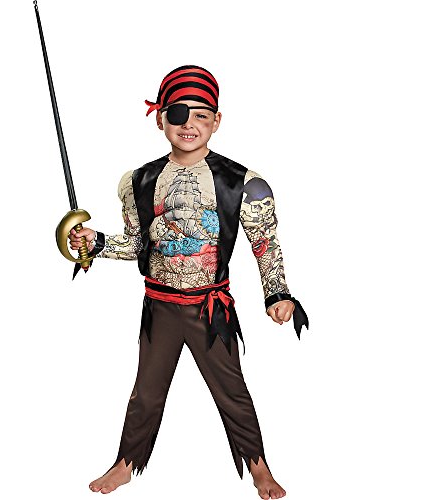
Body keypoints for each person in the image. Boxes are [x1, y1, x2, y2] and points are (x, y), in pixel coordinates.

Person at [68, 65, 308, 499]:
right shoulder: (139, 181)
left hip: (209, 309)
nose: (189, 124)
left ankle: (259, 468)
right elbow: (136, 244)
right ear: (160, 118)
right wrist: (95, 242)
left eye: (201, 114)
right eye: (178, 114)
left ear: (217, 121)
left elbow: (265, 245)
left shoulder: (243, 184)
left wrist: (277, 293)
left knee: (231, 391)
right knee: (146, 392)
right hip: (159, 306)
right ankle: (125, 464)